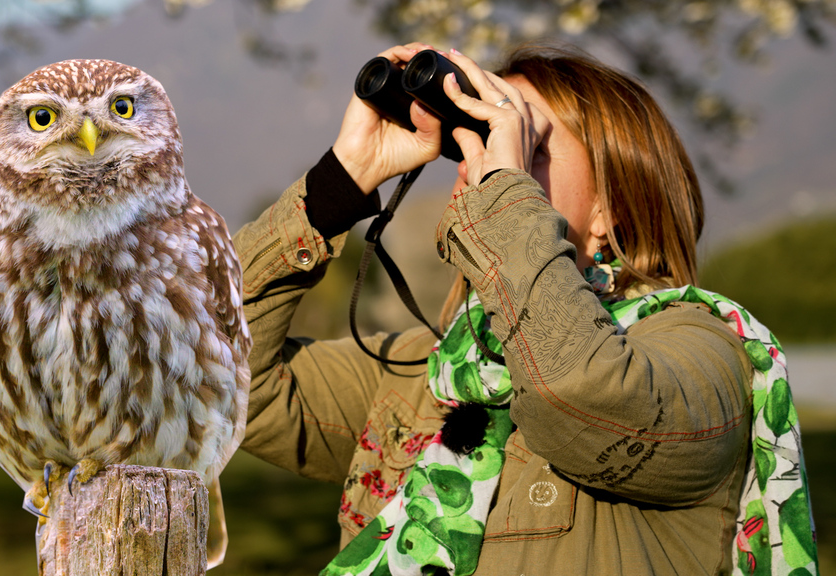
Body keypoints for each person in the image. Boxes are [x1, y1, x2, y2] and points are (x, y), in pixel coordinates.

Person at [232, 41, 816, 575]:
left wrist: (502, 202)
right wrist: (340, 184)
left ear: (610, 209)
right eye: (478, 138)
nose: (482, 164)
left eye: (522, 145)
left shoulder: (703, 351)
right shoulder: (419, 374)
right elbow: (224, 380)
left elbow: (578, 390)